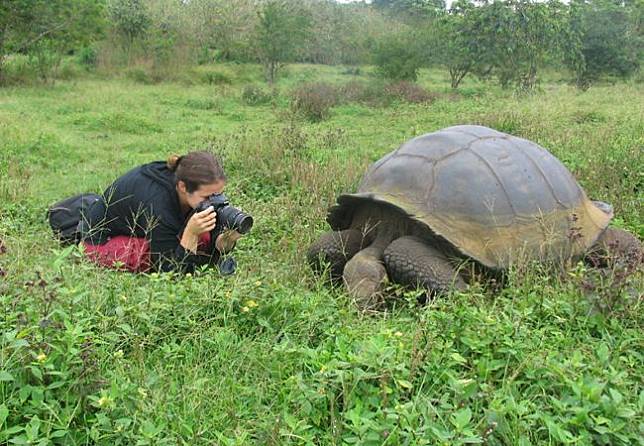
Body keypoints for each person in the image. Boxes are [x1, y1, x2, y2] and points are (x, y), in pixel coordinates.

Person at [81, 151, 242, 273]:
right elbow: (170, 270)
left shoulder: (186, 183)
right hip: (100, 240)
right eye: (207, 196)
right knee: (146, 256)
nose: (214, 201)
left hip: (143, 227)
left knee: (203, 237)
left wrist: (227, 238)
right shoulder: (158, 203)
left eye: (218, 194)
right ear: (183, 187)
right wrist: (191, 234)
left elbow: (212, 245)